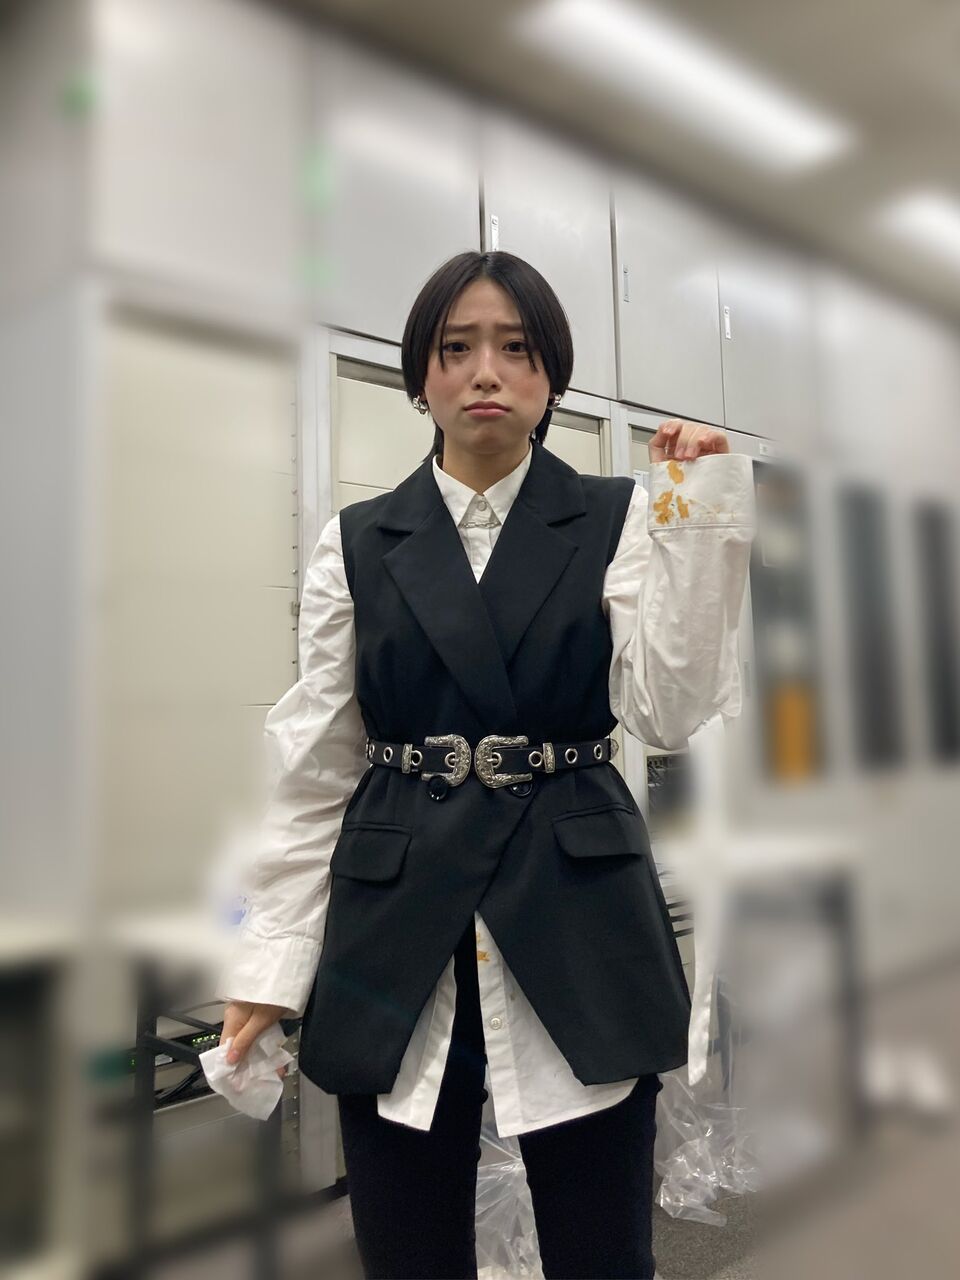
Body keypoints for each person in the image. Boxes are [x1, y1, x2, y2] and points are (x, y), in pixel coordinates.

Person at [216, 250, 757, 1278]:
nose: (485, 372)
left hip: (575, 908)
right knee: (406, 1244)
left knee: (602, 1246)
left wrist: (699, 519)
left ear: (551, 375)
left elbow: (669, 709)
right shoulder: (358, 541)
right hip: (398, 925)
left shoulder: (617, 514)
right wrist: (269, 965)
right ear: (420, 376)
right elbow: (315, 766)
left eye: (516, 348)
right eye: (456, 347)